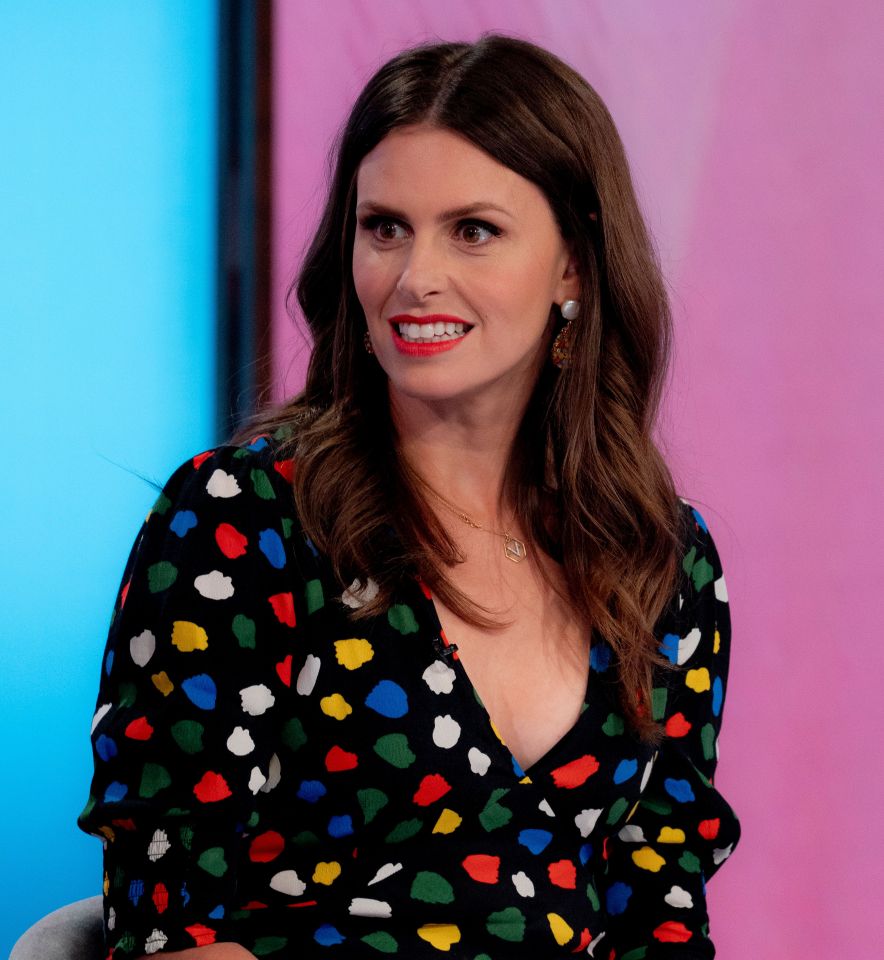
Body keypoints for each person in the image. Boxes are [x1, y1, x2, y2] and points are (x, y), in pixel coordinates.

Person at [79, 34, 739, 960]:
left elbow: (657, 905)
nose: (414, 276)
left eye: (473, 229)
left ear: (574, 266)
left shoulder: (661, 558)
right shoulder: (242, 520)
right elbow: (165, 927)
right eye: (384, 226)